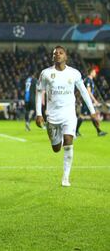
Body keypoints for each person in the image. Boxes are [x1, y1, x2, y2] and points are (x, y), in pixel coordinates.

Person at [35, 46, 99, 187]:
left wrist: (93, 111)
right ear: (53, 57)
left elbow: (83, 92)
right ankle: (58, 142)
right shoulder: (46, 73)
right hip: (52, 116)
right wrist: (39, 113)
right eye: (55, 53)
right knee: (56, 148)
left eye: (60, 53)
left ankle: (65, 177)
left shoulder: (74, 73)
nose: (57, 55)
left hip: (69, 115)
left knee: (68, 141)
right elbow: (39, 92)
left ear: (66, 56)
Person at [76, 68, 107, 137]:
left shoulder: (90, 80)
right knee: (82, 116)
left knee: (92, 116)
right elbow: (88, 92)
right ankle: (75, 131)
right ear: (91, 72)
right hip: (87, 101)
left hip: (87, 101)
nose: (95, 73)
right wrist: (94, 100)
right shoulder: (88, 80)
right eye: (94, 72)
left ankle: (99, 131)